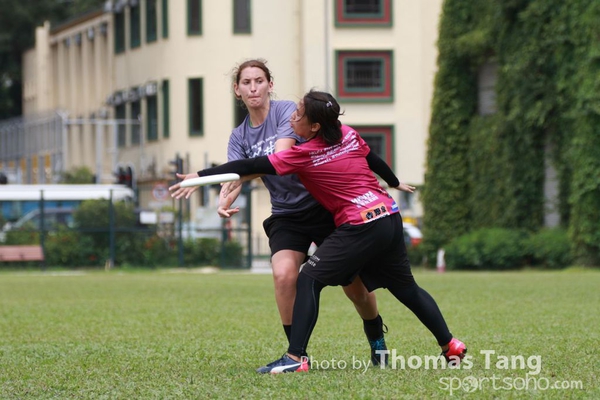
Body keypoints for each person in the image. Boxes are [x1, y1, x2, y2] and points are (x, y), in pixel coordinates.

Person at [177, 89, 468, 373]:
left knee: (308, 280)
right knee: (407, 289)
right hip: (389, 216)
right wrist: (393, 182)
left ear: (315, 126)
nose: (292, 117)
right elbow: (373, 159)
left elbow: (250, 164)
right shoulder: (348, 133)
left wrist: (199, 176)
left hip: (361, 224)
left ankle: (295, 357)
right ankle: (450, 345)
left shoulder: (304, 153)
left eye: (299, 114)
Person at [169, 60, 403, 366]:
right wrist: (223, 200)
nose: (253, 88)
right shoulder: (239, 136)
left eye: (259, 81)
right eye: (246, 83)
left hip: (322, 208)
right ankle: (296, 354)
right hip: (286, 215)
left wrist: (226, 174)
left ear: (270, 84)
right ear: (237, 90)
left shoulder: (287, 112)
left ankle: (377, 340)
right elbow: (235, 177)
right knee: (283, 275)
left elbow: (278, 158)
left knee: (355, 288)